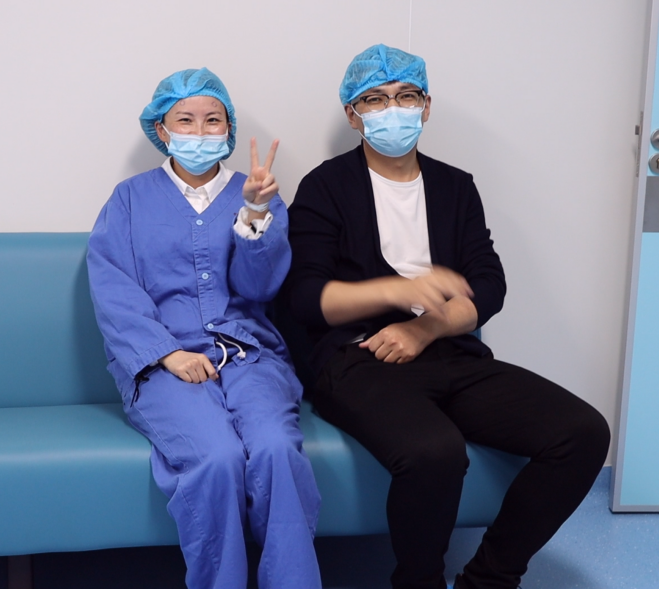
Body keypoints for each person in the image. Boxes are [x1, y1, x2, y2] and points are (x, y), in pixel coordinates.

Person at [284, 45, 610, 589]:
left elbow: (489, 284)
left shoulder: (455, 187)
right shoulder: (326, 186)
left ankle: (489, 579)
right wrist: (401, 290)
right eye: (375, 100)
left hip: (449, 351)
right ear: (353, 115)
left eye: (406, 96)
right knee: (433, 452)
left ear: (426, 105)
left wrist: (426, 326)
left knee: (582, 433)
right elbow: (307, 298)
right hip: (356, 358)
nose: (393, 109)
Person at [87, 68, 321, 589]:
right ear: (161, 129)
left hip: (250, 357)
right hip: (163, 365)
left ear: (229, 129)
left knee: (276, 449)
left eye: (212, 120)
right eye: (185, 120)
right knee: (216, 458)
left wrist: (255, 213)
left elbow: (260, 288)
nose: (199, 131)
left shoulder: (255, 194)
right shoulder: (128, 199)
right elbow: (113, 288)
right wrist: (167, 353)